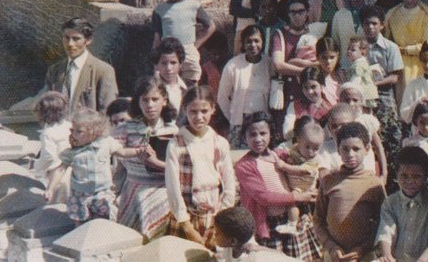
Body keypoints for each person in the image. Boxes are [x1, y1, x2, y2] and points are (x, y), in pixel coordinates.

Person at [234, 111, 320, 259]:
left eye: (263, 133)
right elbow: (264, 198)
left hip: (292, 216)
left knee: (299, 258)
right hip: (271, 223)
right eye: (252, 135)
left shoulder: (280, 156)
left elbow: (305, 168)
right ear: (245, 137)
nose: (258, 139)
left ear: (271, 134)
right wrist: (298, 197)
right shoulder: (244, 166)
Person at [165, 86, 236, 247]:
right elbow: (173, 186)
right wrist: (185, 224)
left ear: (213, 109)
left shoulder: (220, 143)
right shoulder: (176, 144)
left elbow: (229, 183)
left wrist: (221, 219)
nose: (199, 117)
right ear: (185, 110)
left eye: (204, 111)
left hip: (214, 217)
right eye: (193, 111)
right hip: (186, 215)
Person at [113, 76, 178, 241]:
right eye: (145, 100)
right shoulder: (126, 128)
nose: (150, 105)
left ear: (164, 100)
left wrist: (154, 163)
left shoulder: (173, 130)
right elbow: (116, 151)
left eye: (155, 99)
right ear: (138, 102)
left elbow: (180, 167)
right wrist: (136, 152)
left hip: (163, 188)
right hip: (134, 187)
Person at [313, 122, 386, 262]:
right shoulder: (328, 182)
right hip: (334, 255)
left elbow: (382, 222)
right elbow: (318, 219)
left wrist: (362, 249)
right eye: (345, 149)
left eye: (356, 149)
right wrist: (331, 246)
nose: (350, 154)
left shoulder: (374, 184)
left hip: (364, 255)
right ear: (338, 150)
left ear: (367, 149)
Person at [46, 108, 122, 225]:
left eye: (79, 131)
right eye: (72, 130)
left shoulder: (106, 143)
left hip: (101, 193)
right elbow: (60, 169)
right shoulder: (72, 152)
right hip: (79, 195)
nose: (73, 134)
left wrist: (138, 152)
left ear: (94, 132)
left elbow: (122, 152)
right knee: (80, 222)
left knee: (103, 220)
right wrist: (50, 188)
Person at [375, 146, 428, 262]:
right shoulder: (390, 203)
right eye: (404, 176)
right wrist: (387, 256)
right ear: (397, 174)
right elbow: (386, 232)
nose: (410, 181)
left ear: (426, 175)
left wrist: (422, 260)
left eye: (416, 176)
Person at [152, 0, 216, 85]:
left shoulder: (193, 6)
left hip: (188, 50)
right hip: (167, 51)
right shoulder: (159, 10)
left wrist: (195, 45)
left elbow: (210, 26)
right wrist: (156, 58)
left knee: (191, 83)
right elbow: (157, 37)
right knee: (166, 84)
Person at [384, 0, 428, 108]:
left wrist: (405, 50)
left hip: (420, 62)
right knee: (402, 98)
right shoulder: (392, 14)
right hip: (399, 63)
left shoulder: (426, 14)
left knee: (421, 98)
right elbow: (388, 40)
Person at [44, 17, 118, 115]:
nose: (70, 44)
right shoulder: (55, 70)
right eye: (66, 38)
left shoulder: (103, 71)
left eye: (76, 39)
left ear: (88, 40)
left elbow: (108, 112)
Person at [218, 25, 273, 148]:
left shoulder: (268, 63)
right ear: (243, 44)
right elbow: (222, 97)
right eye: (249, 41)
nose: (253, 45)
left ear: (263, 43)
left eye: (256, 41)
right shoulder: (233, 65)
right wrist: (233, 117)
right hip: (240, 122)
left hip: (262, 123)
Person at [272, 0, 319, 126]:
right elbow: (278, 65)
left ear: (307, 13)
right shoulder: (280, 34)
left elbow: (324, 62)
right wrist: (307, 72)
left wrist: (305, 64)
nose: (297, 15)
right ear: (288, 14)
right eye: (293, 12)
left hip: (312, 92)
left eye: (301, 11)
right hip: (289, 91)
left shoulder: (315, 33)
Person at [275, 120, 324, 233]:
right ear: (298, 140)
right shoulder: (295, 148)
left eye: (315, 148)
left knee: (292, 200)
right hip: (292, 182)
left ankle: (292, 224)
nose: (311, 152)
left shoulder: (314, 160)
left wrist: (284, 166)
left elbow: (300, 171)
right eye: (307, 147)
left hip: (303, 186)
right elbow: (287, 153)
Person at [360, 4, 404, 114]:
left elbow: (395, 77)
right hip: (362, 93)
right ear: (362, 25)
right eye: (367, 23)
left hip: (384, 94)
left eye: (374, 23)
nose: (370, 27)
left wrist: (375, 83)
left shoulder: (391, 47)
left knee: (388, 125)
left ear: (382, 25)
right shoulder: (357, 46)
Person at [32, 91, 72, 196]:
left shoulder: (48, 133)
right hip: (73, 172)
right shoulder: (70, 126)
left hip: (58, 176)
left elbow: (48, 156)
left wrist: (37, 165)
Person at [330, 0, 372, 67]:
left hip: (368, 65)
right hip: (345, 66)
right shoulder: (339, 15)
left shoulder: (372, 13)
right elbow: (335, 43)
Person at [282, 67, 333, 138]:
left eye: (313, 87)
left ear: (322, 85)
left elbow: (330, 135)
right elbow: (287, 132)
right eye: (306, 87)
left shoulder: (330, 109)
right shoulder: (295, 105)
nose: (310, 92)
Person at [152, 37, 188, 114]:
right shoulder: (151, 88)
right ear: (157, 65)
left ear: (180, 64)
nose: (168, 68)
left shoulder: (188, 87)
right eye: (164, 63)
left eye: (173, 63)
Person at [345, 36, 379, 108]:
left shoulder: (358, 65)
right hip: (369, 95)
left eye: (353, 50)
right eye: (348, 49)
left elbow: (355, 81)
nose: (349, 51)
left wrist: (349, 90)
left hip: (365, 95)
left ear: (363, 52)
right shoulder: (363, 62)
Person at [316, 37, 347, 107]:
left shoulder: (344, 75)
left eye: (332, 57)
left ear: (338, 55)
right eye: (324, 57)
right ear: (317, 57)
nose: (328, 62)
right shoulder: (315, 78)